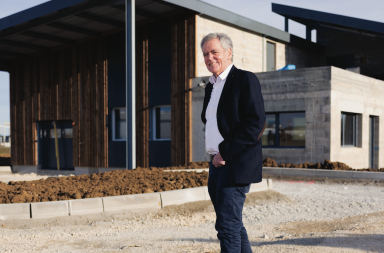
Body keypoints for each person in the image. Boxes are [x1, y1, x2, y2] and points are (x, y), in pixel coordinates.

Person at [200, 33, 266, 252]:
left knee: (227, 226)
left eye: (214, 52)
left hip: (234, 162)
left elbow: (255, 124)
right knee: (232, 224)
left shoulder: (245, 79)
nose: (210, 58)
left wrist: (224, 152)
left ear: (229, 53)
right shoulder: (211, 86)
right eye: (205, 54)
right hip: (216, 164)